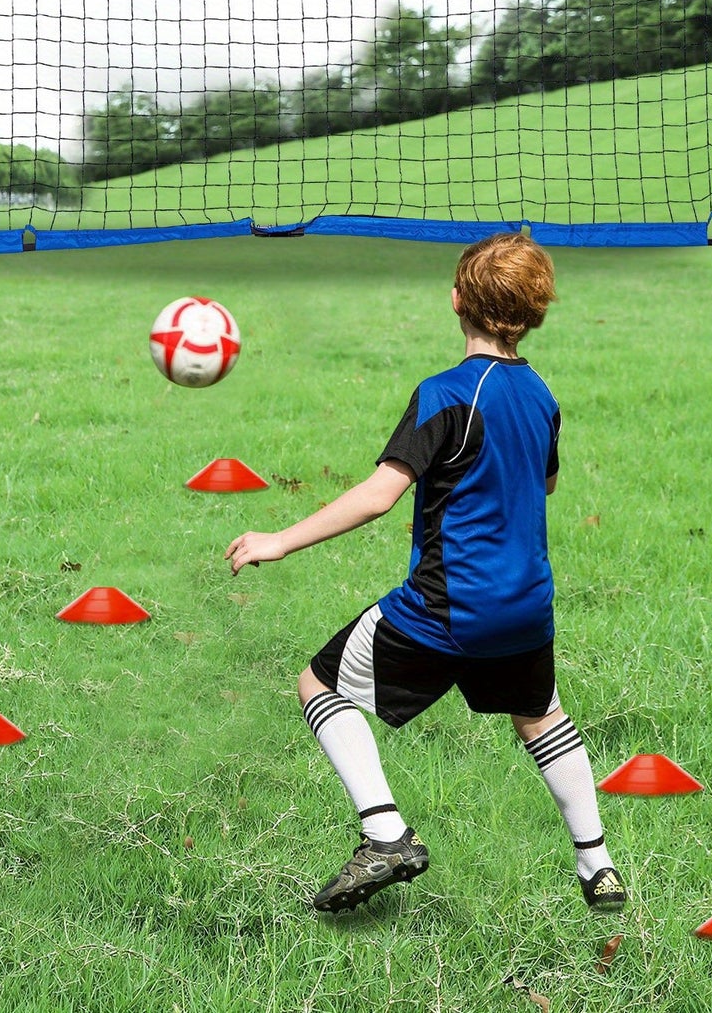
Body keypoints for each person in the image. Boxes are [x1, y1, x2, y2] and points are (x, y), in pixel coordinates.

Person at [225, 232, 626, 915]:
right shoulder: (539, 394)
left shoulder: (443, 394)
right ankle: (597, 866)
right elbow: (547, 481)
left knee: (317, 682)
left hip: (446, 606)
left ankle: (383, 831)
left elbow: (381, 494)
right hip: (526, 606)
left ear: (456, 300)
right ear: (533, 313)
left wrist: (281, 539)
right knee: (539, 717)